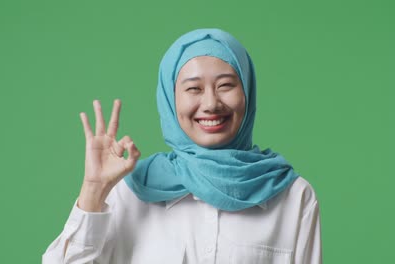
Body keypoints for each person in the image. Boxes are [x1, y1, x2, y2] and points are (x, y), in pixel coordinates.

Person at [42, 28, 322, 264]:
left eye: (225, 85)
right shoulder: (130, 191)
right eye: (193, 89)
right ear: (170, 99)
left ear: (247, 93)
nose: (211, 104)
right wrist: (93, 188)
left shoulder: (293, 196)